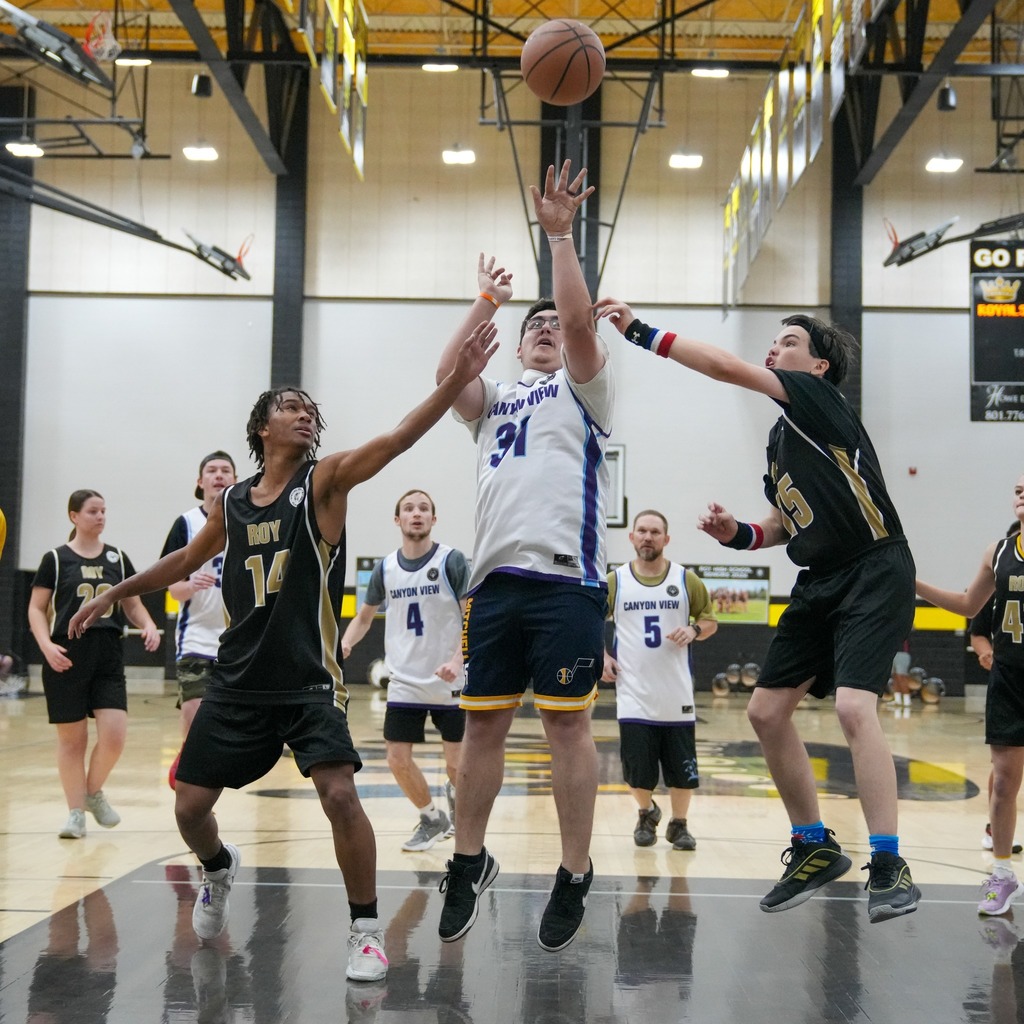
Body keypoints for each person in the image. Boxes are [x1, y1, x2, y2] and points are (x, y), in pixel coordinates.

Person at [68, 324, 498, 984]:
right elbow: (184, 560)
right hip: (237, 679)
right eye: (291, 406)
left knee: (339, 796)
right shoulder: (235, 502)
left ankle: (364, 930)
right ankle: (217, 868)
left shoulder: (325, 482)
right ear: (262, 428)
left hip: (307, 681)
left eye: (310, 410)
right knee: (188, 806)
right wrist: (111, 597)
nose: (305, 414)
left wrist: (456, 379)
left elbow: (401, 437)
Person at [594, 300, 921, 923]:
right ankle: (812, 845)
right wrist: (735, 533)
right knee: (766, 712)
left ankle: (888, 860)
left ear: (817, 366)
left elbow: (721, 367)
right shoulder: (780, 437)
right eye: (775, 341)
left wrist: (639, 332)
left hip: (875, 564)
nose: (777, 347)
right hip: (819, 577)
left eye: (789, 341)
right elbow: (779, 524)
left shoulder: (816, 399)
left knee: (855, 707)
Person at [434, 160, 614, 952]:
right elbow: (447, 378)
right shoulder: (497, 400)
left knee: (567, 732)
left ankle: (573, 870)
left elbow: (578, 325)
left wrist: (561, 237)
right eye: (531, 325)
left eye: (553, 324)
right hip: (493, 586)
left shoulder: (585, 389)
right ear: (514, 344)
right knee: (480, 732)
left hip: (566, 583)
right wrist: (485, 302)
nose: (546, 329)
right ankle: (467, 861)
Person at [27, 489, 161, 839]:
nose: (100, 517)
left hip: (107, 654)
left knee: (114, 736)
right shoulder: (55, 560)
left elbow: (131, 603)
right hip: (66, 654)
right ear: (74, 516)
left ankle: (92, 792)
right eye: (92, 511)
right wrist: (45, 647)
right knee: (72, 741)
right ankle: (75, 814)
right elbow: (35, 609)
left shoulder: (117, 558)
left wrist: (146, 623)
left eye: (103, 511)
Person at [917, 481, 1024, 916]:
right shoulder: (997, 550)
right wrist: (912, 581)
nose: (1020, 487)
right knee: (1003, 779)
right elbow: (966, 604)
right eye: (1018, 485)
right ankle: (1002, 874)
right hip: (1010, 680)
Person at [341, 488, 468, 851]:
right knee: (396, 759)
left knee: (457, 766)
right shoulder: (386, 567)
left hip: (451, 679)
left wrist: (458, 660)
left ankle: (456, 797)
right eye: (409, 509)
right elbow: (364, 617)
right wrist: (347, 642)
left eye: (424, 508)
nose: (417, 513)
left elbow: (470, 615)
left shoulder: (452, 561)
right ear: (398, 519)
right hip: (405, 680)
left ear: (433, 518)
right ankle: (431, 818)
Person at [601, 509, 717, 850]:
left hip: (677, 691)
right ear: (632, 536)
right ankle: (646, 811)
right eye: (642, 531)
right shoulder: (616, 580)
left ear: (666, 539)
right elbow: (592, 620)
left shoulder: (685, 580)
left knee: (682, 770)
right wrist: (603, 656)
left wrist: (694, 629)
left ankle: (679, 824)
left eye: (655, 532)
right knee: (637, 770)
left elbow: (710, 620)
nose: (648, 537)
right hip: (633, 692)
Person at [160, 451, 237, 789]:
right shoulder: (187, 523)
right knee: (193, 709)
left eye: (225, 471)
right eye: (211, 470)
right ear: (200, 481)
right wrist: (189, 585)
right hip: (196, 636)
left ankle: (198, 768)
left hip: (238, 639)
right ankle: (192, 779)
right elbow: (171, 586)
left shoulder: (247, 522)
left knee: (226, 722)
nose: (218, 475)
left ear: (235, 480)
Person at [970, 522, 1024, 854]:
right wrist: (984, 651)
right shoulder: (997, 574)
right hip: (1009, 678)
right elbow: (976, 629)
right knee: (1003, 773)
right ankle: (995, 831)